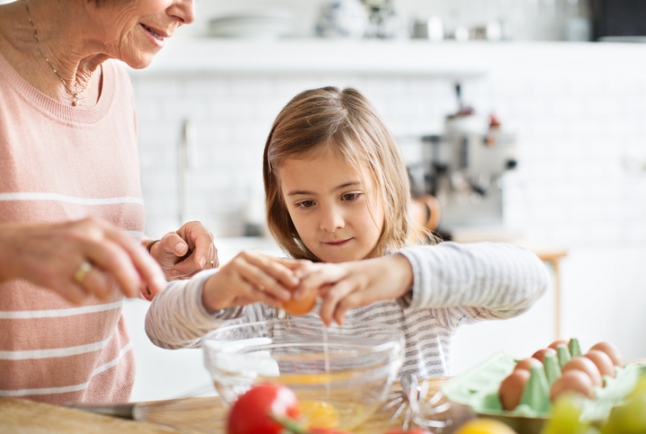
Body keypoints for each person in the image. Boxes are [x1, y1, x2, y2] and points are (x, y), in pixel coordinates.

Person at [145, 87, 549, 378]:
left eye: (351, 195)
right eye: (306, 203)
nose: (330, 221)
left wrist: (402, 272)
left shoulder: (422, 289)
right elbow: (161, 330)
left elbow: (529, 279)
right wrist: (213, 289)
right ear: (283, 205)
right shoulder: (282, 295)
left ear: (387, 186)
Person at [0, 0, 218, 404]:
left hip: (99, 416)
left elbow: (73, 259)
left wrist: (147, 257)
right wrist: (12, 251)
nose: (187, 14)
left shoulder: (114, 81)